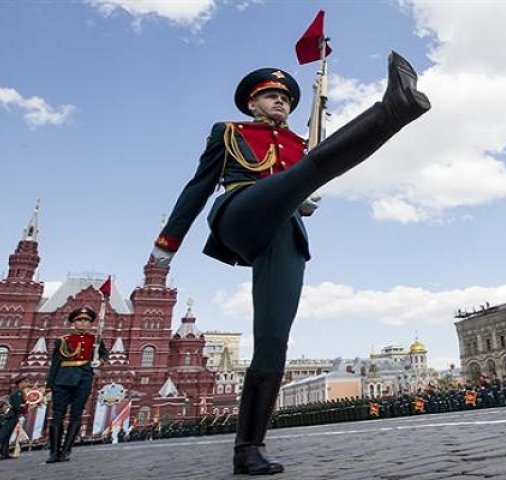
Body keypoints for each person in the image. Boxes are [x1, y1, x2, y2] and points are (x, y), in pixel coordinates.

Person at [150, 51, 430, 475]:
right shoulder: (228, 132)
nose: (281, 102)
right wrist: (167, 244)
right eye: (271, 96)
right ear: (251, 104)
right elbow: (198, 187)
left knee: (274, 341)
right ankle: (396, 108)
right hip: (241, 213)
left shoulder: (301, 145)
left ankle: (249, 448)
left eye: (286, 98)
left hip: (285, 232)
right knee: (312, 170)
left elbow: (299, 182)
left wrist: (299, 198)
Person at [45, 307, 108, 463]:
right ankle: (54, 452)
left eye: (86, 321)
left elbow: (104, 354)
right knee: (57, 415)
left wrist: (99, 361)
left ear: (90, 323)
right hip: (62, 379)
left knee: (76, 414)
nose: (83, 323)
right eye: (80, 320)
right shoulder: (63, 340)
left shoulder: (96, 339)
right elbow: (55, 363)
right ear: (73, 322)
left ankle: (66, 451)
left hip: (84, 379)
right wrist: (49, 385)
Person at [0, 375, 29, 460]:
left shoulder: (21, 392)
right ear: (20, 383)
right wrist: (23, 406)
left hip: (14, 416)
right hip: (11, 416)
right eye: (24, 382)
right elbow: (17, 405)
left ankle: (4, 453)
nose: (26, 384)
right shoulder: (17, 393)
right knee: (3, 434)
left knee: (7, 435)